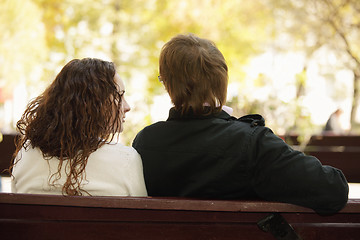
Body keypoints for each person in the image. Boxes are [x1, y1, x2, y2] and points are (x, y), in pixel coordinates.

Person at [132, 33, 348, 214]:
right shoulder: (252, 143)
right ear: (221, 80)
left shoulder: (145, 143)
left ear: (168, 84)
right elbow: (333, 189)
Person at [11, 58, 147, 197]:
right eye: (120, 96)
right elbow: (142, 215)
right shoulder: (126, 159)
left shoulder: (26, 155)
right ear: (95, 104)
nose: (127, 107)